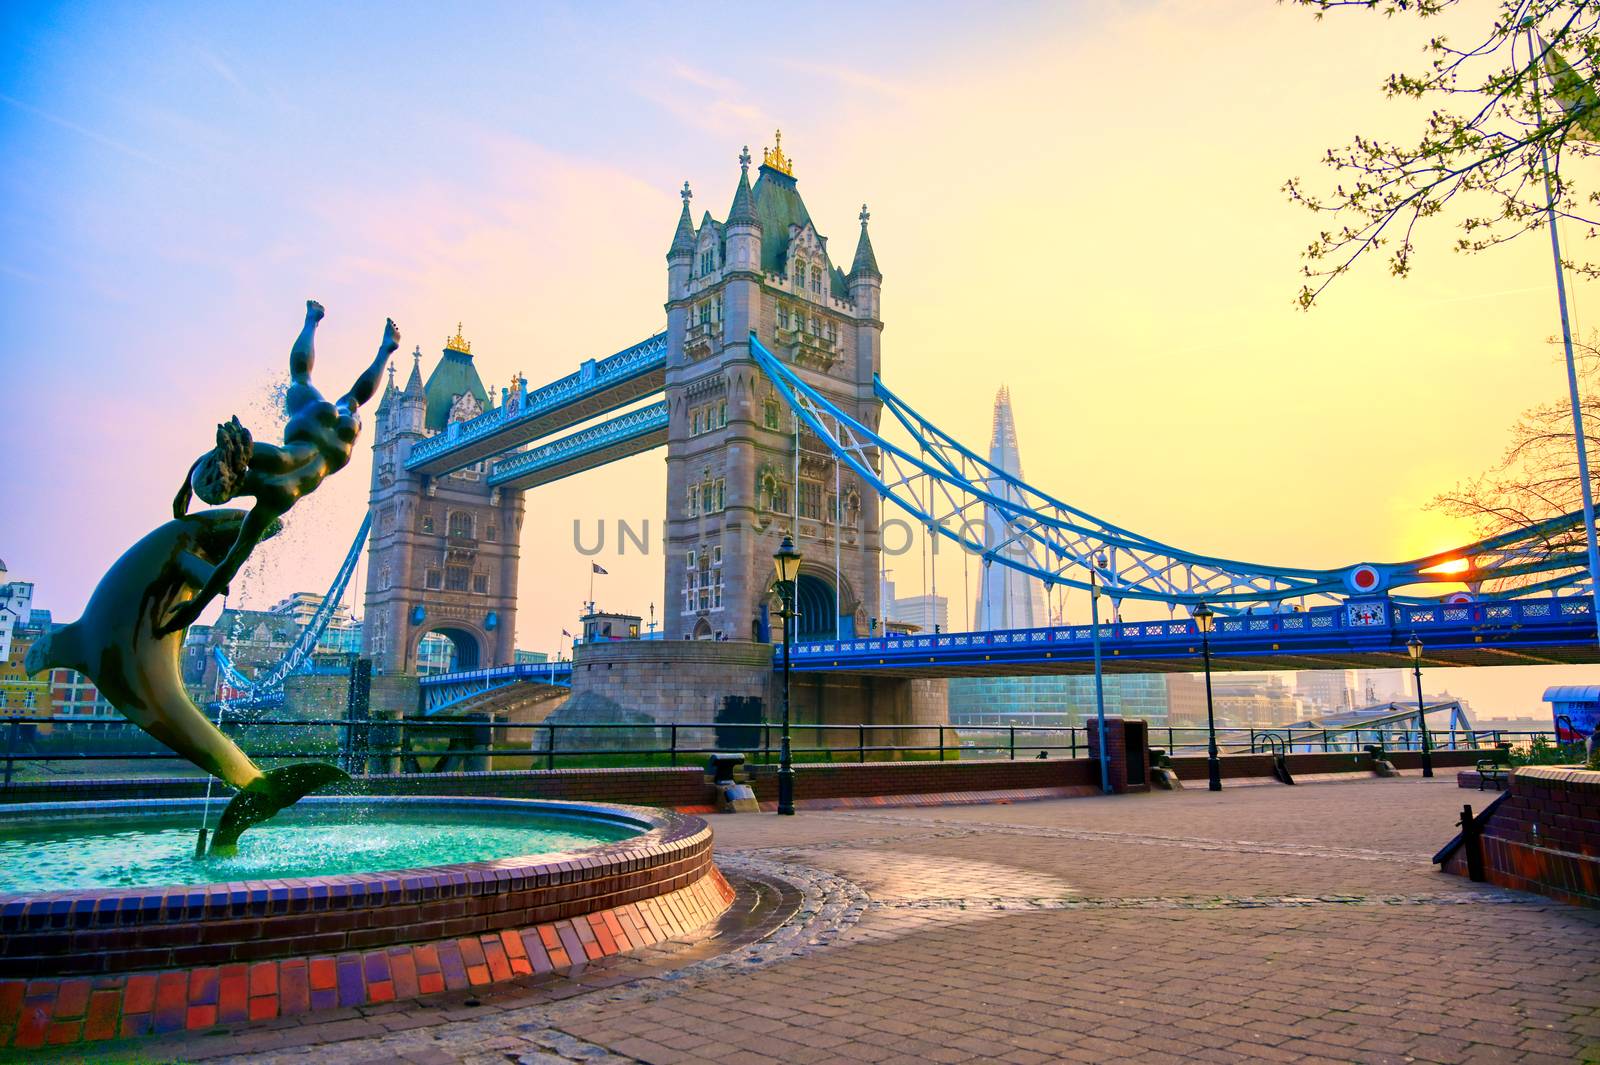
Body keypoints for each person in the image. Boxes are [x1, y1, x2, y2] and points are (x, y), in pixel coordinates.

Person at [162, 300, 397, 634]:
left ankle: (376, 346)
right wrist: (186, 487)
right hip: (316, 422)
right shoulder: (265, 458)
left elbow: (231, 563)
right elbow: (226, 451)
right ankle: (316, 322)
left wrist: (197, 607)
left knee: (342, 394)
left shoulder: (274, 501)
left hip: (336, 442)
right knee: (303, 378)